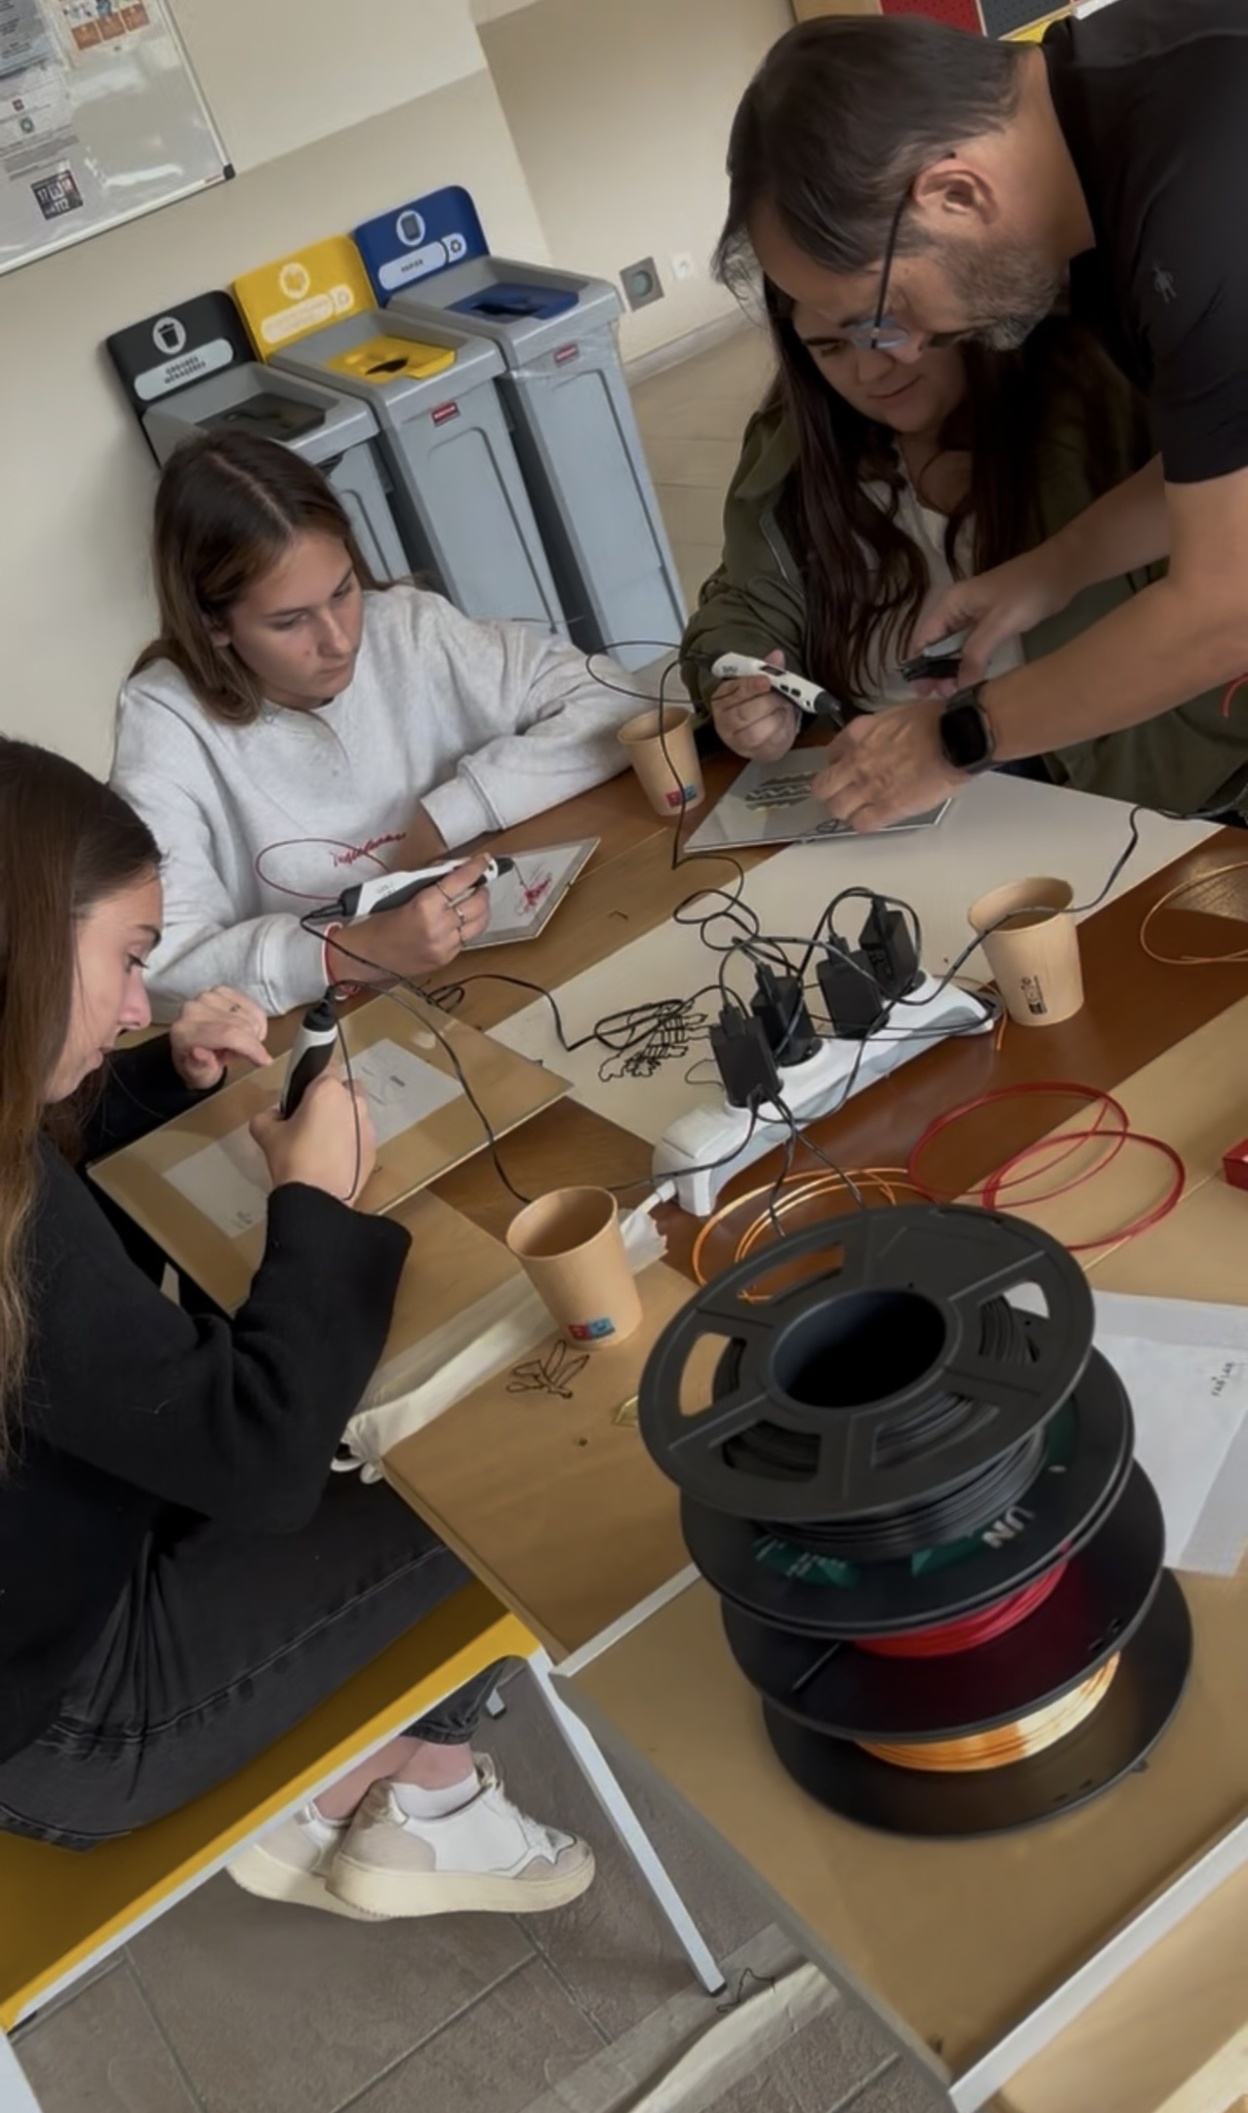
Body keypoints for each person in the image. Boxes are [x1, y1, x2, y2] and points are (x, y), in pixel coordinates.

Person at [0, 734, 593, 1921]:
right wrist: (313, 1204)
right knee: (519, 1446)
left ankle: (387, 1774)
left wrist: (154, 1078)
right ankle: (421, 1787)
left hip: (73, 1578)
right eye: (125, 964)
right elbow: (262, 1456)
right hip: (77, 1713)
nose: (131, 1003)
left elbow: (61, 1243)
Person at [714, 6, 1248, 830]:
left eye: (882, 312)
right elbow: (1225, 450)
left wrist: (959, 737)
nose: (898, 351)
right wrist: (1056, 567)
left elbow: (1224, 609)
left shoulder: (1196, 187)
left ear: (956, 193)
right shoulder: (1101, 164)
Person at [111, 429, 648, 1017]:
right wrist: (345, 953)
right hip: (332, 1024)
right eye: (290, 622)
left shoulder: (407, 629)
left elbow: (619, 701)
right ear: (213, 623)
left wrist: (447, 816)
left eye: (343, 591)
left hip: (501, 966)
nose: (340, 641)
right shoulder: (165, 720)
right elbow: (155, 964)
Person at [681, 285, 1245, 812]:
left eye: (880, 333)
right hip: (878, 766)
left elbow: (1216, 601)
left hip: (1096, 779)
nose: (868, 370)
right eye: (828, 348)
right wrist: (747, 685)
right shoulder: (797, 442)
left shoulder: (1091, 396)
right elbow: (746, 600)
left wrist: (960, 739)